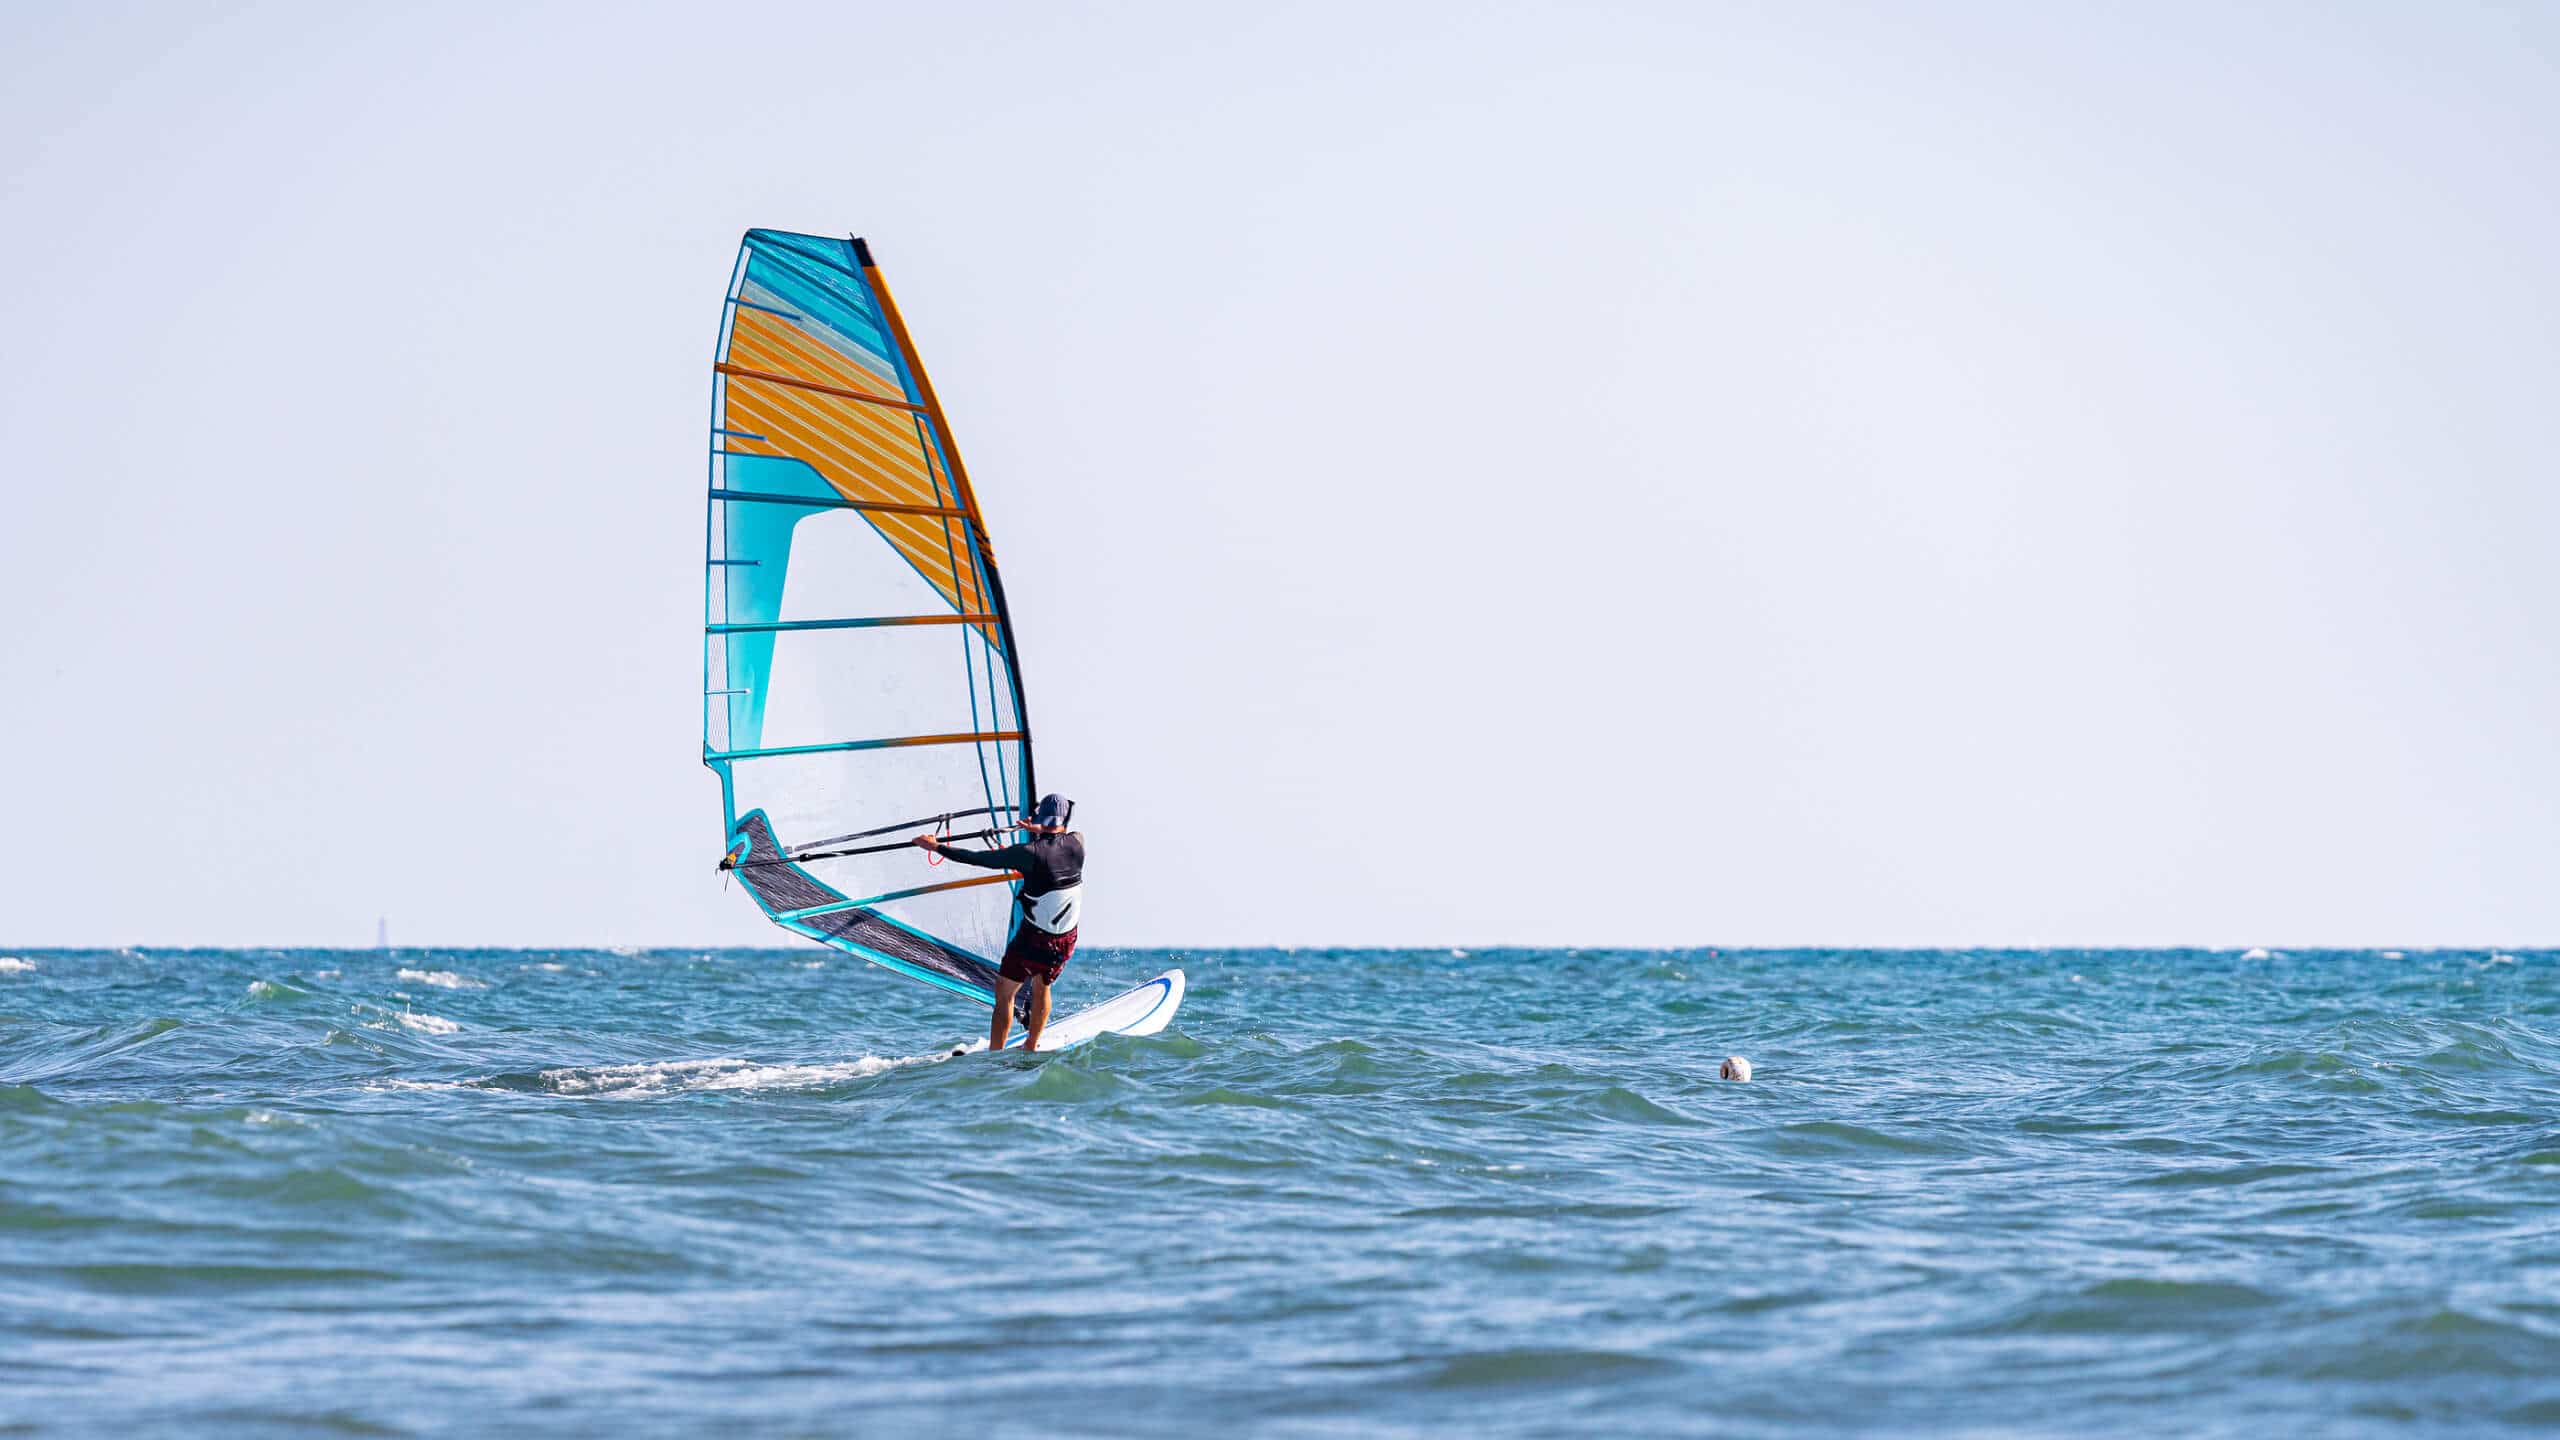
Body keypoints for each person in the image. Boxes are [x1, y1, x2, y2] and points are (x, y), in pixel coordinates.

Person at [915, 793, 1083, 1053]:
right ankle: (1031, 1045)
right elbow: (1056, 835)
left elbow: (978, 858)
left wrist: (936, 847)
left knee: (1005, 992)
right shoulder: (1078, 843)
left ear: (1040, 817)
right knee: (1042, 985)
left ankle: (996, 1053)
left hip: (1034, 937)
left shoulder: (1028, 853)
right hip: (1065, 937)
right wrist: (1038, 827)